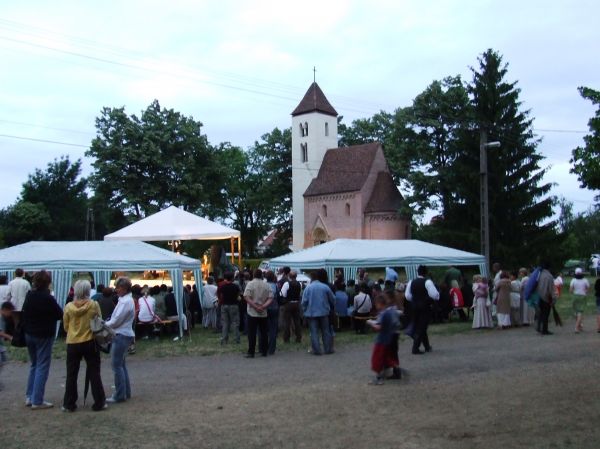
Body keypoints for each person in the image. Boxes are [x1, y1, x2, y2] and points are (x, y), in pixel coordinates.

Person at [62, 280, 106, 412]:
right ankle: (99, 401)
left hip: (73, 342)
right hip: (90, 341)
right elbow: (99, 320)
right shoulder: (93, 305)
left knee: (71, 373)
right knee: (94, 372)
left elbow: (65, 326)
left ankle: (69, 403)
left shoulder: (69, 307)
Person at [21, 270, 63, 409]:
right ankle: (37, 400)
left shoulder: (30, 295)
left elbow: (24, 312)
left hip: (30, 333)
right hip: (44, 334)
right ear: (48, 283)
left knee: (34, 365)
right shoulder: (48, 298)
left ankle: (30, 396)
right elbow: (59, 314)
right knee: (42, 366)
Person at [105, 277, 136, 403]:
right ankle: (125, 392)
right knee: (121, 365)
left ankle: (119, 394)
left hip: (121, 334)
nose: (116, 290)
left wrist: (104, 325)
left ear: (123, 288)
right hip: (124, 334)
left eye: (118, 287)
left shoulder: (125, 302)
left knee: (116, 365)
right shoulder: (126, 300)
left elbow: (116, 320)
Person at [405, 265, 439, 354]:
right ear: (426, 272)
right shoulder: (428, 282)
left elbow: (407, 296)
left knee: (420, 326)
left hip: (414, 307)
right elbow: (434, 295)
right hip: (424, 307)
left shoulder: (411, 282)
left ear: (418, 272)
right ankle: (415, 348)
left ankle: (427, 346)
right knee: (422, 327)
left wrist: (415, 299)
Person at [367, 294, 400, 385]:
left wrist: (371, 323)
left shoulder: (383, 314)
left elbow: (379, 327)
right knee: (386, 358)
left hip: (381, 340)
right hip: (388, 339)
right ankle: (394, 370)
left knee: (377, 359)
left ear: (379, 303)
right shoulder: (389, 312)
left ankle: (378, 378)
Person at [301, 269, 335, 355]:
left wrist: (304, 310)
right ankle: (328, 349)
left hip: (311, 313)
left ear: (311, 278)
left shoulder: (308, 288)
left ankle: (316, 350)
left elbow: (304, 302)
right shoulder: (325, 287)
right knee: (326, 331)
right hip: (324, 312)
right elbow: (333, 299)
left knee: (314, 332)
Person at [243, 269, 273, 358]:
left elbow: (246, 297)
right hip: (263, 312)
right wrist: (263, 306)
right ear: (262, 275)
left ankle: (251, 352)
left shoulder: (250, 284)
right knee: (264, 332)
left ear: (253, 275)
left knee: (252, 333)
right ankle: (264, 351)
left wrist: (255, 306)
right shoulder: (266, 285)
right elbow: (271, 297)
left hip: (252, 312)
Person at [217, 271, 241, 344]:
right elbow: (238, 296)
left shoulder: (222, 286)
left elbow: (219, 296)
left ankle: (224, 339)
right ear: (232, 278)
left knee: (225, 323)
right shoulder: (235, 286)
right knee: (235, 323)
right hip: (233, 305)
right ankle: (236, 339)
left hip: (224, 305)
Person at [280, 271, 303, 343]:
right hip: (296, 303)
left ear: (289, 276)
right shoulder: (300, 284)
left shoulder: (287, 284)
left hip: (288, 304)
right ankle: (298, 338)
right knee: (297, 322)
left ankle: (286, 339)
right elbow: (300, 293)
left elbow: (283, 294)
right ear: (296, 276)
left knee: (287, 322)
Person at [536, 262, 558, 335]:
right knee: (546, 314)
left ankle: (539, 327)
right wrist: (554, 299)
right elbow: (551, 289)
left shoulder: (540, 274)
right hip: (546, 297)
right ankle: (544, 330)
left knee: (541, 313)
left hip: (539, 296)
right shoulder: (549, 276)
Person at [570, 268, 590, 333]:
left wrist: (574, 292)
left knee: (576, 312)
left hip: (575, 296)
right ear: (581, 273)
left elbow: (570, 290)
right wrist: (585, 292)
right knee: (580, 312)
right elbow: (588, 288)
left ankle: (580, 325)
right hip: (582, 296)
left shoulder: (573, 280)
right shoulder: (585, 280)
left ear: (575, 273)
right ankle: (577, 327)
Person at [265, 271, 279, 355]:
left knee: (264, 328)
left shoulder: (264, 285)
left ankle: (263, 346)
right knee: (273, 329)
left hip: (265, 307)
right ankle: (272, 348)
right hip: (274, 307)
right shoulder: (275, 286)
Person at [0, 301, 15, 384]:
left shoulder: (3, 318)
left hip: (1, 345)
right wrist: (10, 337)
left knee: (2, 361)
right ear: (5, 310)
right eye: (10, 312)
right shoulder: (0, 318)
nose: (10, 314)